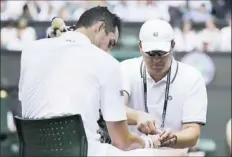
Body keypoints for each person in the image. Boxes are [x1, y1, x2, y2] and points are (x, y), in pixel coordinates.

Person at [18, 6, 186, 156]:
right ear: (99, 27)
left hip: (32, 151)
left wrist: (137, 116)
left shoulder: (29, 51)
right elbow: (123, 142)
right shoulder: (106, 62)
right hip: (84, 152)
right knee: (178, 154)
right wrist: (151, 142)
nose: (108, 51)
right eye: (110, 43)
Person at [120, 19, 208, 153]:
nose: (156, 60)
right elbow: (113, 109)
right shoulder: (125, 69)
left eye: (162, 53)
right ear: (140, 46)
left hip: (172, 153)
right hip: (132, 152)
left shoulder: (191, 77)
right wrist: (137, 116)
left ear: (173, 45)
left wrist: (173, 138)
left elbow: (193, 132)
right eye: (150, 54)